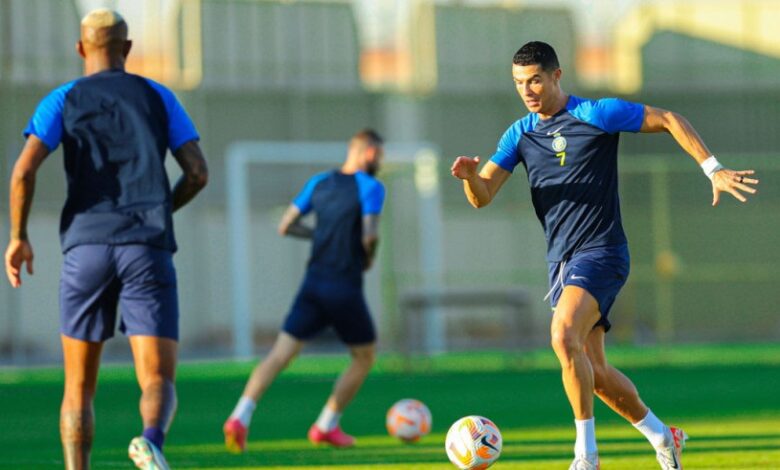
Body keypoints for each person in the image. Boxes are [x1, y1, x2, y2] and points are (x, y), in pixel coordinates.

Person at [450, 41, 758, 470]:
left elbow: (668, 118)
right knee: (592, 370)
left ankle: (586, 457)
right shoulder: (519, 134)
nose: (528, 90)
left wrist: (713, 168)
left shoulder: (595, 114)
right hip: (561, 262)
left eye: (536, 79)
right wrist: (468, 178)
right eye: (520, 82)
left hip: (603, 251)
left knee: (562, 337)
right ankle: (662, 436)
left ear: (557, 76)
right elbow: (482, 196)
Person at [4, 9, 208, 470]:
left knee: (77, 386)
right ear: (128, 49)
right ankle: (151, 442)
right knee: (157, 377)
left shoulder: (62, 99)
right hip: (146, 245)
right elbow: (197, 172)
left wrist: (18, 236)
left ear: (80, 49)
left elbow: (23, 171)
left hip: (85, 248)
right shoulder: (159, 96)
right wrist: (160, 210)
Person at [223, 129, 385, 453]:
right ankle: (326, 424)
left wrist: (320, 235)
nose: (380, 161)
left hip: (313, 284)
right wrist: (368, 257)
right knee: (364, 357)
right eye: (379, 154)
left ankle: (240, 416)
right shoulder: (371, 187)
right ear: (368, 152)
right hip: (344, 285)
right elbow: (369, 235)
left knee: (281, 354)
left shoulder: (319, 182)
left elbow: (286, 225)